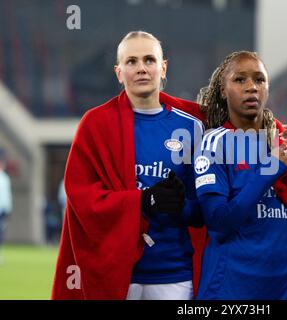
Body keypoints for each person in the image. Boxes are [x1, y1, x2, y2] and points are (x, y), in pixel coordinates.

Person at [52, 31, 205, 300]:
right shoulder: (95, 124)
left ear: (163, 67)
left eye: (149, 60)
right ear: (119, 72)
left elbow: (204, 203)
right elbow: (82, 198)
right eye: (131, 62)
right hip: (117, 272)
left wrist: (183, 206)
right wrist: (143, 202)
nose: (141, 69)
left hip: (174, 274)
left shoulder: (193, 124)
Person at [193, 51, 287, 299]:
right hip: (230, 289)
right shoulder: (215, 144)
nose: (251, 87)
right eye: (240, 80)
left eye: (259, 80)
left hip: (283, 288)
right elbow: (219, 222)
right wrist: (267, 172)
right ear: (223, 90)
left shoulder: (283, 143)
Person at [0, 150, 12, 265]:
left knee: (1, 232)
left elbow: (7, 195)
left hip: (2, 210)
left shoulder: (5, 178)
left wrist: (8, 208)